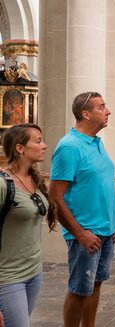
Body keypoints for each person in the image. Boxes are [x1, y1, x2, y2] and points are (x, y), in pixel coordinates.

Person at [48, 92, 115, 327]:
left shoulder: (97, 143)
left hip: (105, 229)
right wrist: (79, 233)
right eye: (102, 107)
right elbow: (55, 197)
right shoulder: (69, 147)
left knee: (96, 283)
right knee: (79, 289)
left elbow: (101, 182)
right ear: (86, 113)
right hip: (85, 232)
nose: (108, 111)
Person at [0, 124, 57, 327]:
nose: (44, 145)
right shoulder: (3, 184)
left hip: (33, 272)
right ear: (20, 148)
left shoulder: (34, 179)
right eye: (38, 140)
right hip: (7, 277)